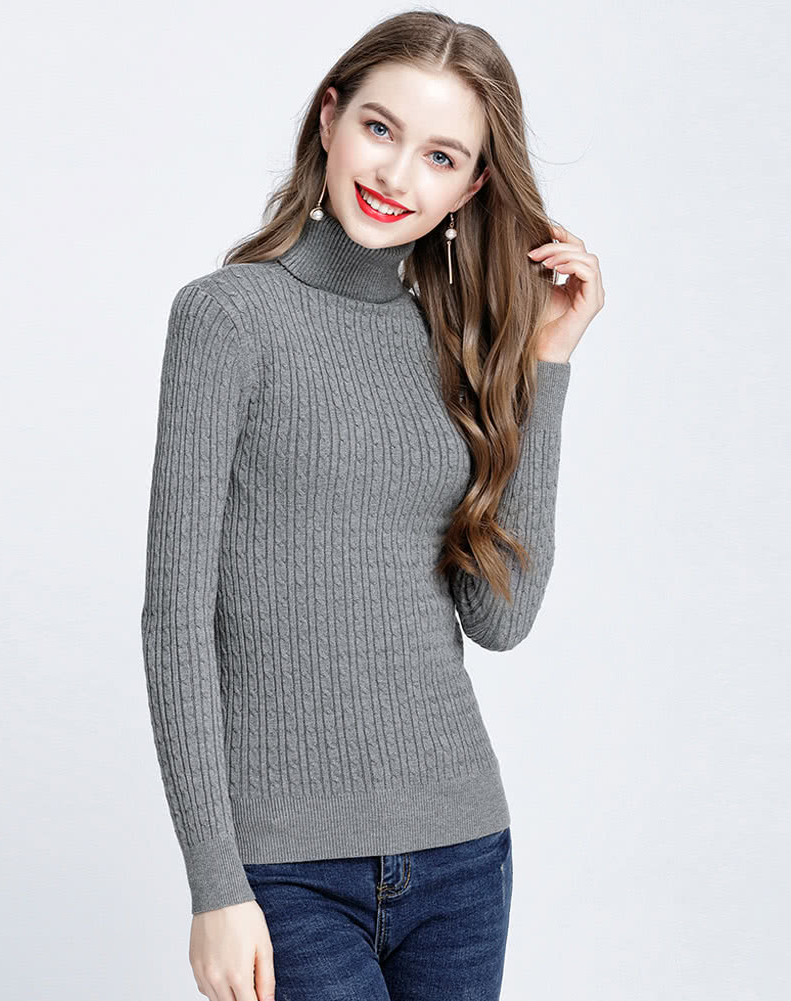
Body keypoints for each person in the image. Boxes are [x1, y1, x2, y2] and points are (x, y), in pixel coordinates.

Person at [140, 10, 604, 1001]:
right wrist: (215, 883)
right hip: (286, 871)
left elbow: (499, 618)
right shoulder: (227, 317)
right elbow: (174, 618)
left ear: (470, 188)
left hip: (462, 850)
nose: (396, 174)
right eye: (379, 128)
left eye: (440, 155)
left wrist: (545, 366)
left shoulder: (451, 344)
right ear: (329, 118)